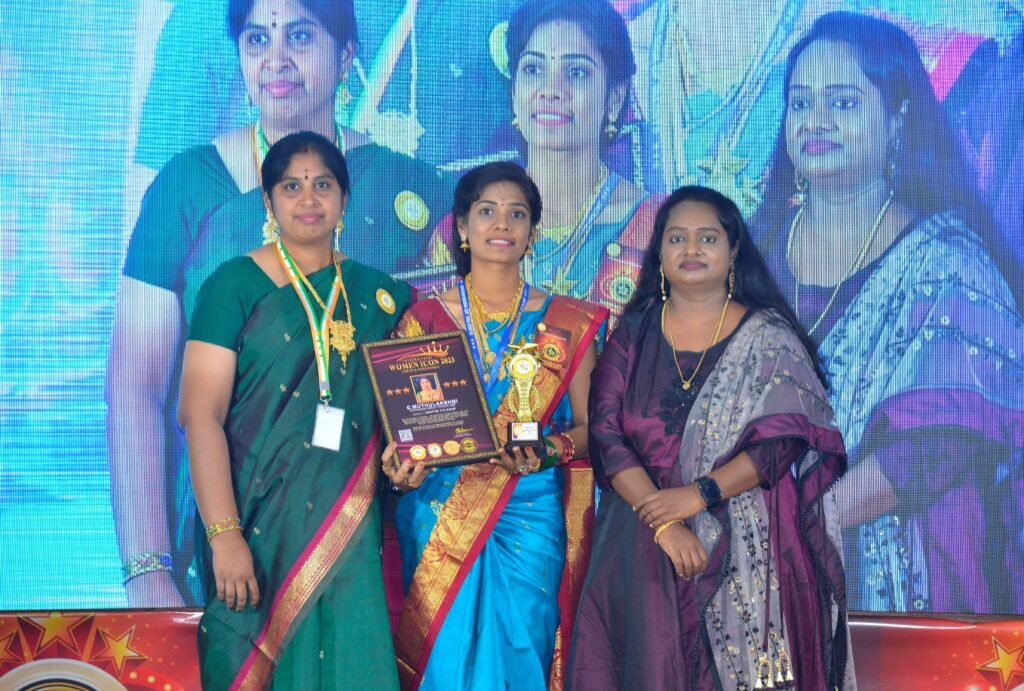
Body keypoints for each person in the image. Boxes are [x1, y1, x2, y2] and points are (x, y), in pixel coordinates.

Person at [107, 0, 452, 607]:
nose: (276, 59)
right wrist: (146, 568)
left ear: (346, 56)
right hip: (227, 539)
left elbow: (439, 377)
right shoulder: (188, 187)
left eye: (300, 35)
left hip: (380, 538)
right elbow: (137, 385)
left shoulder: (411, 189)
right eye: (256, 39)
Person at [752, 11, 1024, 614]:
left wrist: (801, 526)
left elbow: (942, 444)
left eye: (843, 102)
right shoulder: (749, 253)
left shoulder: (946, 264)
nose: (815, 121)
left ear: (898, 118)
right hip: (750, 579)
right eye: (801, 103)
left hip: (895, 577)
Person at [568, 186, 854, 690]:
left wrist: (697, 495)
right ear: (659, 251)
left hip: (747, 545)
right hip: (640, 543)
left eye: (707, 238)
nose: (692, 249)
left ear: (733, 249)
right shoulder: (632, 334)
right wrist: (664, 522)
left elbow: (780, 442)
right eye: (677, 238)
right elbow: (607, 433)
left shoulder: (769, 337)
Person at [178, 131, 410, 690]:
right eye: (291, 186)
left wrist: (409, 460)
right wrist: (224, 536)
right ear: (268, 200)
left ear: (345, 198)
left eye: (323, 185)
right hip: (254, 532)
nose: (308, 199)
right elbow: (199, 415)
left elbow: (404, 420)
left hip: (351, 536)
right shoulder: (234, 285)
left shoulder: (383, 297)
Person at [385, 161, 607, 690]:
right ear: (462, 226)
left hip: (530, 514)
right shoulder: (424, 319)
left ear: (533, 232)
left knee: (522, 649)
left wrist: (548, 450)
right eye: (486, 211)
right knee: (445, 659)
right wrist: (400, 469)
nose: (502, 224)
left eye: (517, 214)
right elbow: (404, 432)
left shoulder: (568, 323)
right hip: (439, 511)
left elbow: (592, 428)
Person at [425, 0, 659, 322]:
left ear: (615, 98)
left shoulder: (656, 230)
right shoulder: (461, 234)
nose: (550, 91)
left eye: (576, 72)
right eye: (533, 69)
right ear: (514, 92)